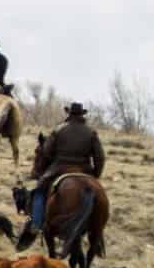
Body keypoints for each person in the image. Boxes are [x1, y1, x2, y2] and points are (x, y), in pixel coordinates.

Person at [18, 102, 105, 248]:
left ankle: (36, 223)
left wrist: (43, 169)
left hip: (60, 168)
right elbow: (100, 157)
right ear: (82, 115)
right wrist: (95, 174)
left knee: (39, 191)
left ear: (69, 114)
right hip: (85, 170)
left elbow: (46, 152)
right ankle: (98, 231)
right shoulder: (91, 133)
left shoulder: (58, 130)